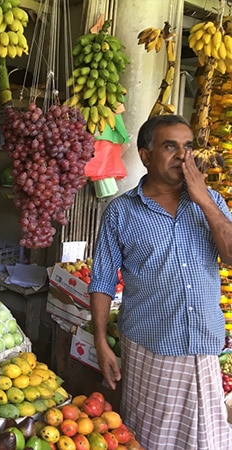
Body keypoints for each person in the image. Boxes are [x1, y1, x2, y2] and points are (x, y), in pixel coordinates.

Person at [88, 114, 232, 449]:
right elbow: (103, 280)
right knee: (150, 438)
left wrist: (204, 199)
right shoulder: (122, 212)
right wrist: (100, 340)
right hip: (151, 347)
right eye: (171, 146)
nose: (183, 156)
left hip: (203, 344)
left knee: (206, 439)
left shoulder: (211, 203)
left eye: (188, 147)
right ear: (146, 155)